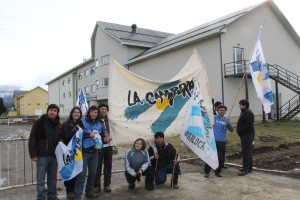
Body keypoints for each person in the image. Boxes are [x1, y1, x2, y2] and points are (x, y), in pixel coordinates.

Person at [28, 104, 61, 200]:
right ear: (47, 111)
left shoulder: (58, 124)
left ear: (57, 113)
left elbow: (60, 137)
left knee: (52, 179)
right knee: (40, 179)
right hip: (42, 155)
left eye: (55, 110)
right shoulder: (39, 123)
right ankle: (41, 197)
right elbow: (32, 139)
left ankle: (52, 196)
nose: (53, 112)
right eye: (51, 110)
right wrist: (33, 154)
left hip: (54, 156)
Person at [74, 105, 103, 199]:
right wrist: (88, 134)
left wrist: (105, 139)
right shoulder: (82, 121)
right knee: (81, 175)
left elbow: (100, 136)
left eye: (95, 112)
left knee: (93, 173)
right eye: (92, 111)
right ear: (89, 112)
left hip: (95, 152)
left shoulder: (99, 124)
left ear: (97, 114)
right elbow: (77, 134)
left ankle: (89, 192)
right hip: (84, 152)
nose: (93, 114)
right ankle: (78, 195)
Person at [204, 105, 233, 178]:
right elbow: (206, 124)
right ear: (217, 111)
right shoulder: (214, 117)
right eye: (220, 110)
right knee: (210, 156)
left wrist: (228, 124)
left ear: (225, 111)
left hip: (222, 141)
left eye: (223, 110)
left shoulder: (227, 119)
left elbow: (232, 130)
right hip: (212, 141)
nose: (222, 111)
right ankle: (207, 172)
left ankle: (218, 172)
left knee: (220, 158)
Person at [61, 106, 84, 199]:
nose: (76, 114)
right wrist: (75, 131)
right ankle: (69, 191)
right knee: (68, 171)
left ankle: (74, 190)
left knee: (76, 171)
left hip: (77, 151)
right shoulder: (66, 124)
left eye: (78, 113)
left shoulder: (80, 123)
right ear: (71, 113)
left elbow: (82, 135)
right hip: (68, 151)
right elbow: (66, 137)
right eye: (75, 112)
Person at [94, 104, 113, 193]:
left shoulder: (108, 120)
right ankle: (97, 185)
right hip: (99, 147)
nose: (104, 110)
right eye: (102, 109)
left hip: (109, 146)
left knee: (108, 166)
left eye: (105, 109)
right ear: (99, 110)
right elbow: (94, 133)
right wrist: (103, 139)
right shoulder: (95, 120)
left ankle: (107, 184)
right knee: (97, 167)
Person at [236, 99, 255, 176]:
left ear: (244, 105)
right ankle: (249, 167)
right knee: (248, 151)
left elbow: (249, 125)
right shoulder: (244, 111)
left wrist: (240, 131)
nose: (239, 106)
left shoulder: (247, 112)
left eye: (240, 104)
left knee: (246, 152)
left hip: (247, 135)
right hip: (245, 134)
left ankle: (245, 169)